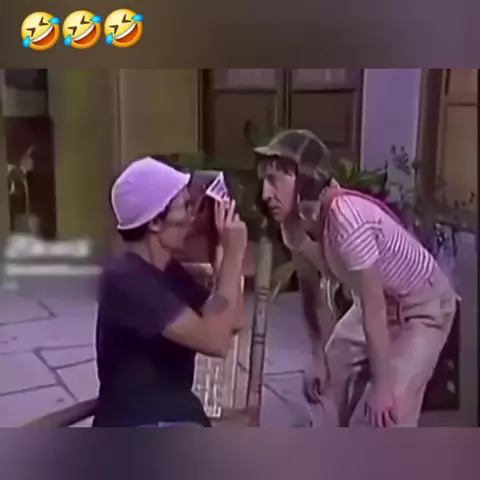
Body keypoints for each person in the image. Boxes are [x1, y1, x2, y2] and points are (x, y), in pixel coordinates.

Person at [254, 129, 458, 427]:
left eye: (274, 181)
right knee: (323, 382)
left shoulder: (347, 219)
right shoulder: (293, 226)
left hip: (422, 310)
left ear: (306, 180)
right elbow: (312, 295)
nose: (265, 194)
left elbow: (374, 308)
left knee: (387, 414)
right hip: (375, 303)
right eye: (264, 181)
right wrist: (319, 355)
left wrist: (383, 387)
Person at [93, 157, 247, 427]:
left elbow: (233, 321)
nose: (192, 218)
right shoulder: (125, 279)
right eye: (185, 207)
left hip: (175, 418)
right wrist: (234, 256)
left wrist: (220, 250)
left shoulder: (169, 271)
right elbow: (215, 341)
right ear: (155, 222)